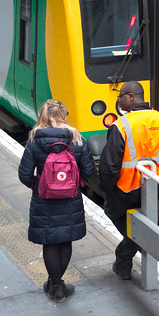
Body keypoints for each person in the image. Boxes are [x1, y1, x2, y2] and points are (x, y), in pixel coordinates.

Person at [98, 81, 159, 280]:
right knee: (143, 223)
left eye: (121, 97)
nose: (119, 101)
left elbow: (109, 165)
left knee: (119, 218)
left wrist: (107, 189)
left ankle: (123, 259)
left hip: (123, 190)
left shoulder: (121, 126)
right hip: (151, 187)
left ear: (131, 97)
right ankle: (124, 261)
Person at [18, 99, 95, 303]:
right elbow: (89, 170)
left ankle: (55, 285)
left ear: (42, 116)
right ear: (64, 116)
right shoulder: (76, 139)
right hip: (70, 197)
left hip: (44, 198)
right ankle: (58, 285)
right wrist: (74, 183)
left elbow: (24, 174)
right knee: (65, 238)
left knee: (49, 240)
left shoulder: (34, 140)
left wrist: (39, 184)